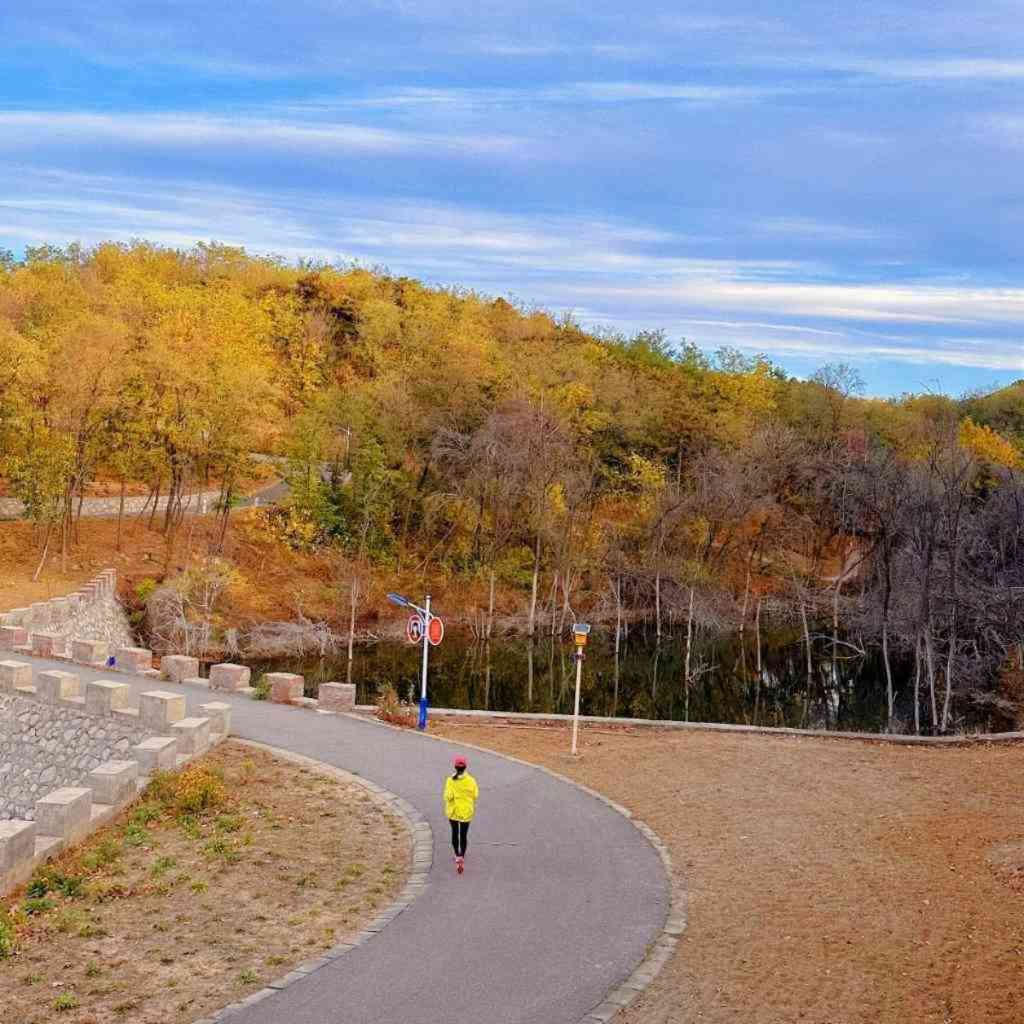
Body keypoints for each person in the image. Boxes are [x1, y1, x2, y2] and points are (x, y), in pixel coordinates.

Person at [443, 755, 478, 874]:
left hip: (453, 811)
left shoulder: (450, 780)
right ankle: (462, 855)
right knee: (463, 835)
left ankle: (457, 855)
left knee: (454, 833)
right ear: (465, 767)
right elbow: (475, 795)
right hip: (466, 812)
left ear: (455, 767)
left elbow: (448, 797)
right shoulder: (471, 781)